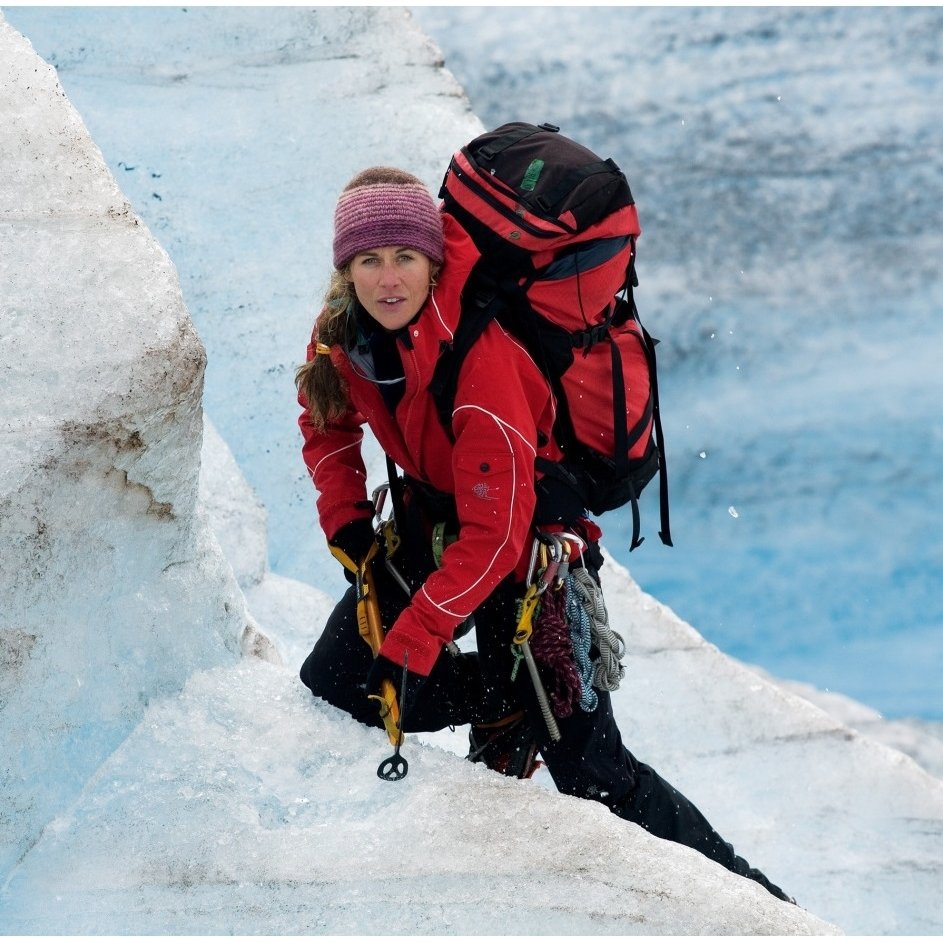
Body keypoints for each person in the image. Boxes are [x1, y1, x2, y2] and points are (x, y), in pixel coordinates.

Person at [295, 166, 794, 903]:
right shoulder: (341, 333)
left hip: (532, 554)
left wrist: (416, 637)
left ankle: (755, 903)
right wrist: (345, 522)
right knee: (338, 683)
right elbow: (325, 421)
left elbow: (495, 539)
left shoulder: (482, 361)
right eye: (368, 260)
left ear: (434, 264)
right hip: (430, 526)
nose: (387, 278)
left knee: (595, 778)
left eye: (405, 257)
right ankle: (503, 701)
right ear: (346, 270)